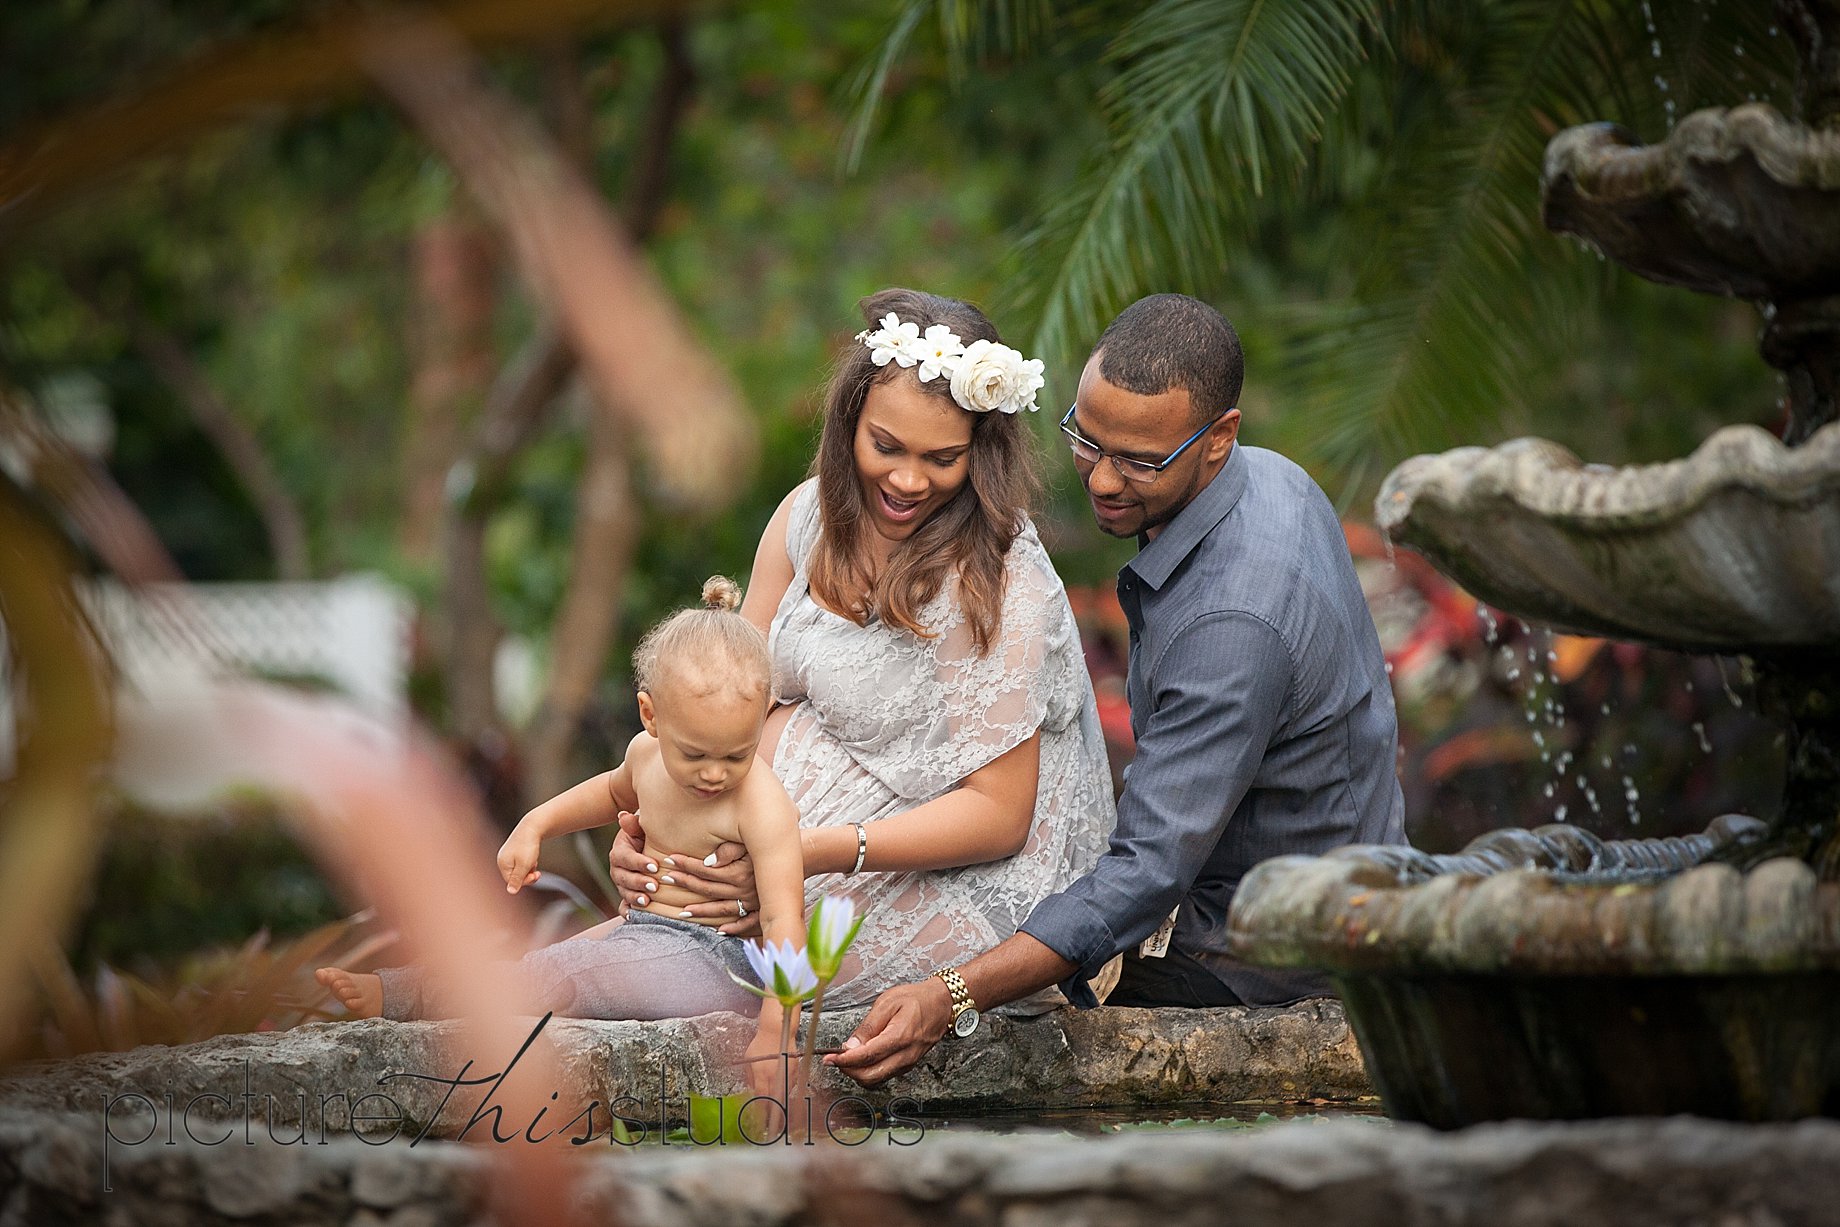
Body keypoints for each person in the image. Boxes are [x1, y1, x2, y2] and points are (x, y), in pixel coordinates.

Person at [825, 292, 1408, 1086]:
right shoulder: (1272, 479)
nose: (1102, 478)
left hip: (1266, 957)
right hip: (1325, 867)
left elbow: (1148, 872)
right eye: (1086, 440)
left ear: (1219, 437)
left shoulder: (1233, 622)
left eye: (1139, 461)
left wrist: (951, 992)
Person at [609, 287, 1118, 1014]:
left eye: (942, 458)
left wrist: (802, 851)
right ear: (850, 422)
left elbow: (1000, 815)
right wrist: (645, 828)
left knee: (678, 975)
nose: (909, 480)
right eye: (887, 446)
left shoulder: (1001, 581)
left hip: (936, 880)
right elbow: (722, 694)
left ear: (982, 451)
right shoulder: (805, 517)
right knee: (645, 944)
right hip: (774, 851)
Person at [316, 578, 808, 1076]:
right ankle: (412, 987)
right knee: (551, 961)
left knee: (566, 976)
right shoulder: (644, 757)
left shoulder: (761, 804)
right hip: (643, 932)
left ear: (762, 718)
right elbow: (609, 793)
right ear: (651, 717)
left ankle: (407, 994)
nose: (714, 772)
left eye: (736, 755)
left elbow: (784, 922)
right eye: (695, 753)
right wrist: (534, 825)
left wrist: (777, 1029)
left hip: (718, 963)